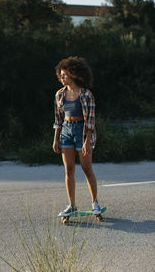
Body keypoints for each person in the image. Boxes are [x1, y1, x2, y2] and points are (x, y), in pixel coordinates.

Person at [53, 56, 101, 217]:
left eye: (64, 74)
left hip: (82, 131)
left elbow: (90, 121)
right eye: (61, 75)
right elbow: (58, 119)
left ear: (73, 74)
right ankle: (72, 205)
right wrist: (55, 139)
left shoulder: (86, 94)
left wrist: (87, 140)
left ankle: (95, 203)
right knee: (69, 170)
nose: (62, 77)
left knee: (87, 169)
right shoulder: (59, 94)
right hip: (66, 131)